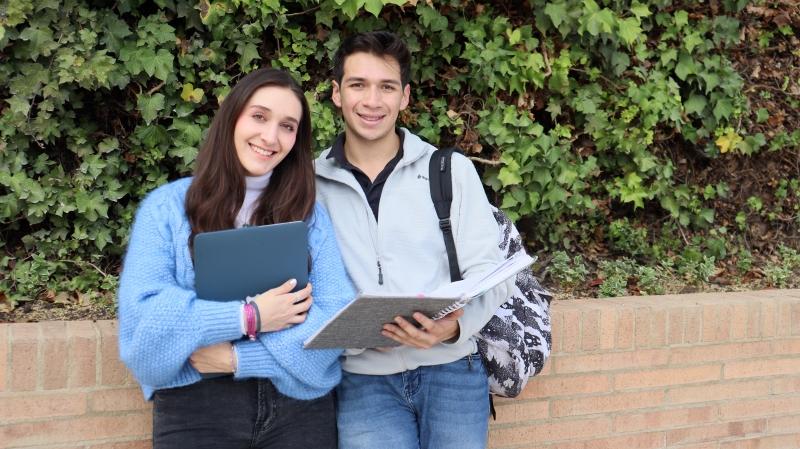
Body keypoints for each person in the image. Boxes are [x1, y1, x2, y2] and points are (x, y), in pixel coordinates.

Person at [117, 67, 354, 448]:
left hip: (299, 408)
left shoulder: (310, 217)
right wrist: (249, 316)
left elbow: (335, 321)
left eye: (288, 126)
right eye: (259, 117)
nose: (270, 137)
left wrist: (240, 359)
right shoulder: (166, 209)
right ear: (232, 117)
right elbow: (145, 329)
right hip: (197, 407)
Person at [315, 31, 513, 449]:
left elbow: (493, 273)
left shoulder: (449, 170)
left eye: (386, 87)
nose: (372, 101)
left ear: (404, 97)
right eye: (358, 85)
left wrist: (452, 329)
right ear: (336, 93)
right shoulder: (309, 184)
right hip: (363, 382)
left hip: (453, 373)